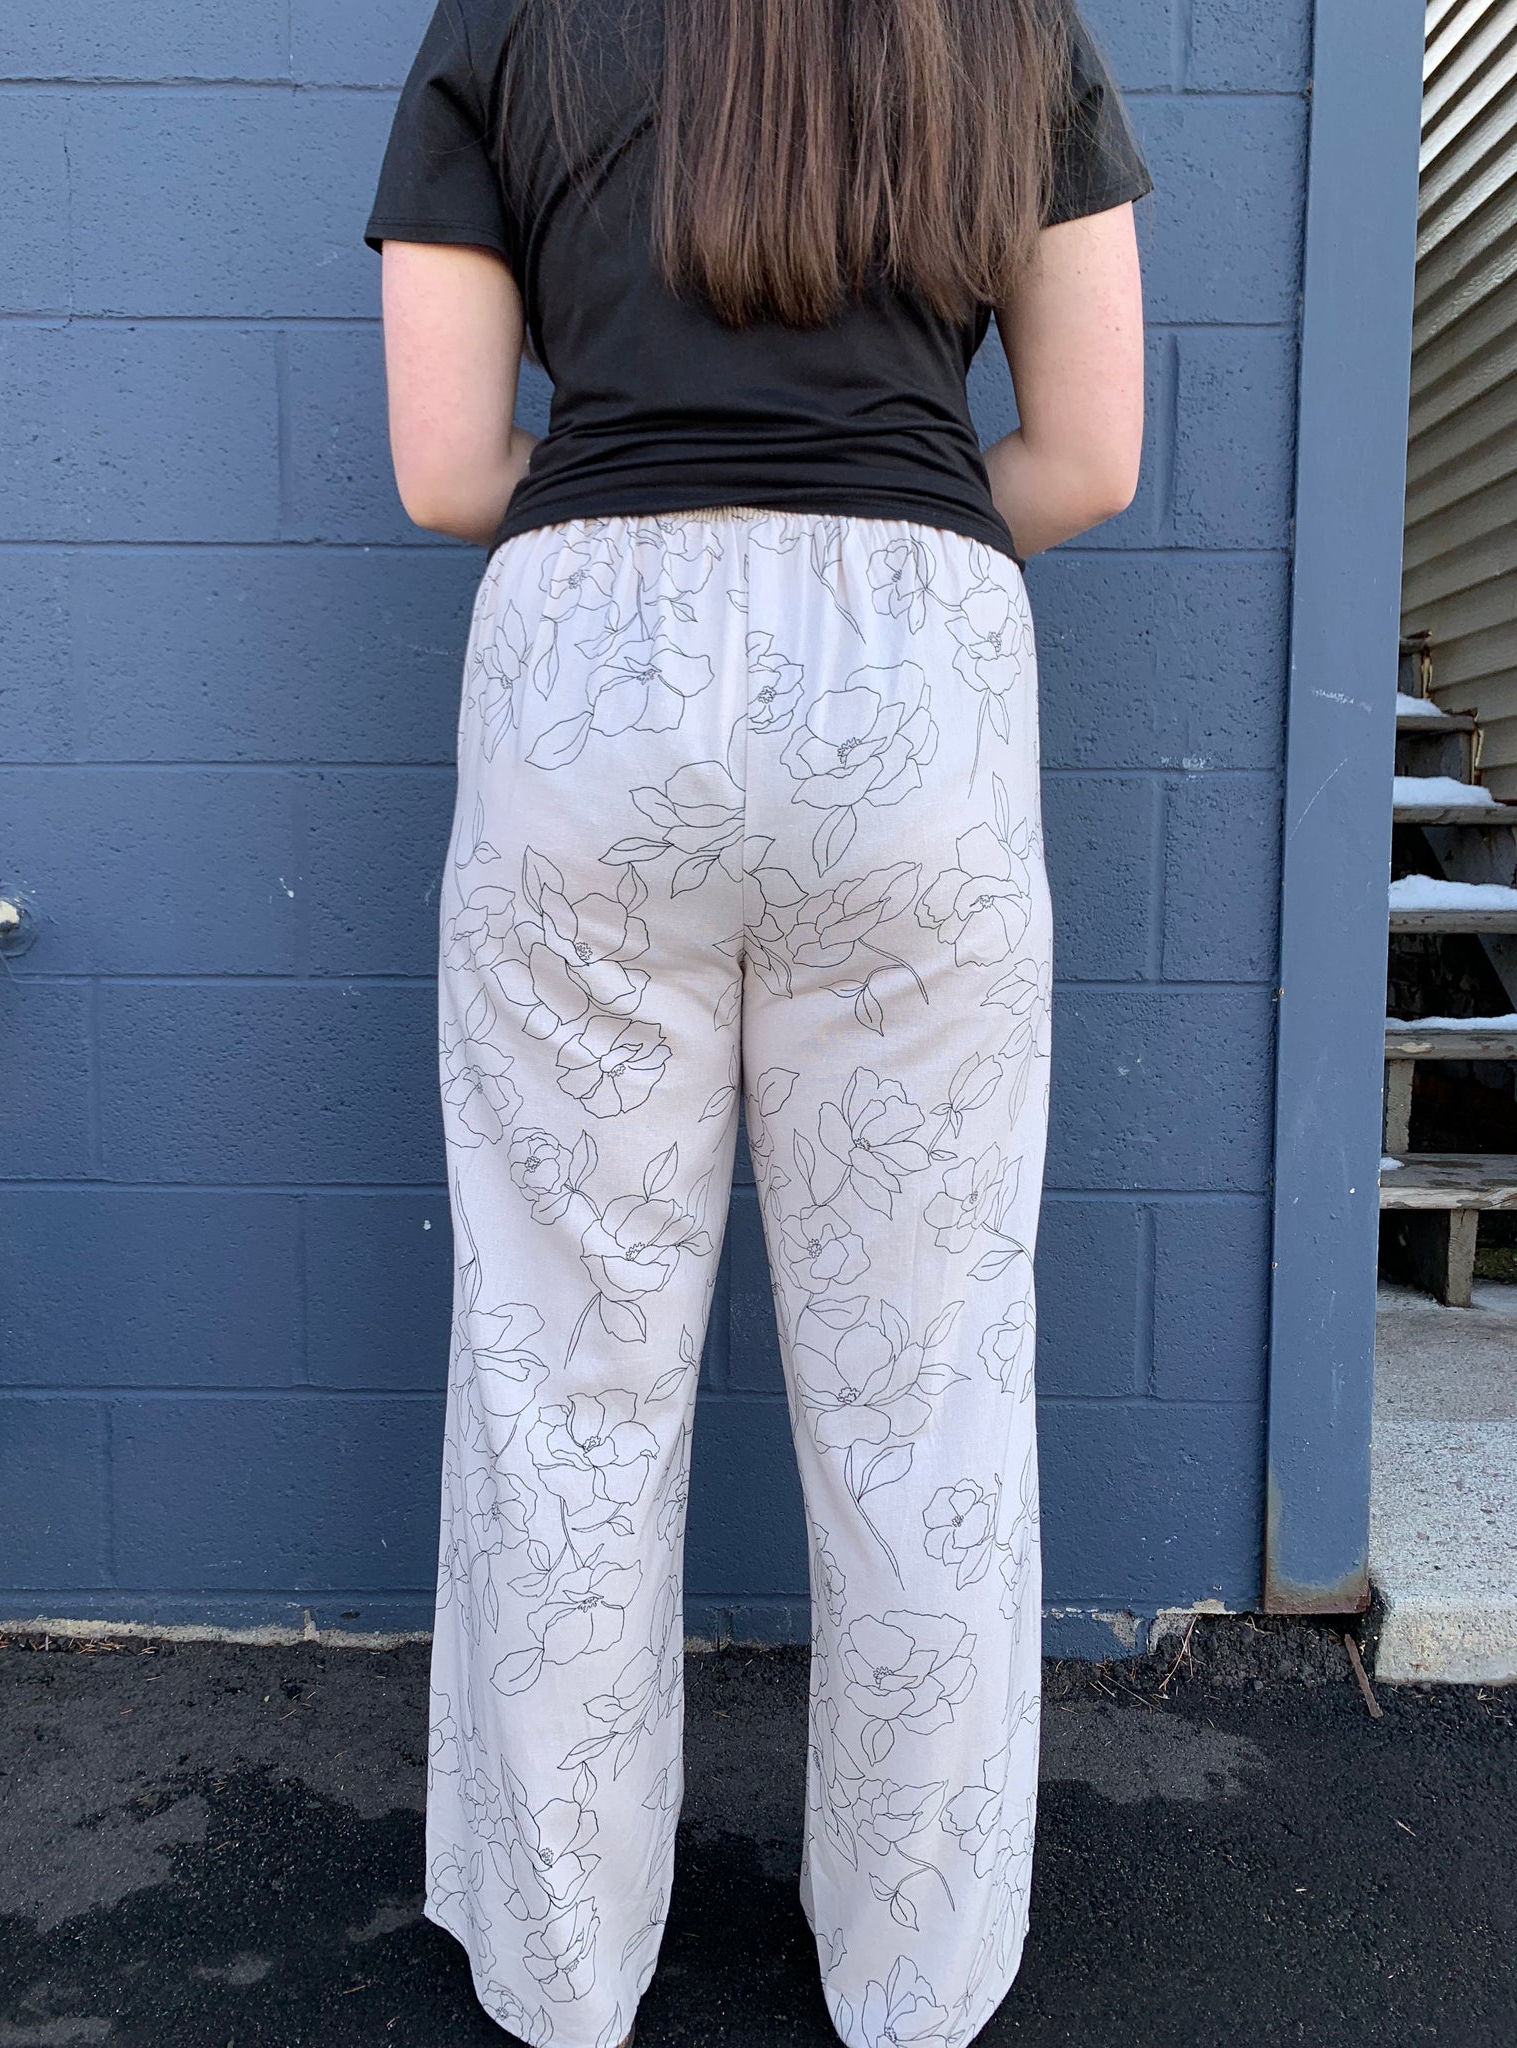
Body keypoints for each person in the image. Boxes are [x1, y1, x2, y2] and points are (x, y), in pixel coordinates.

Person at [364, 0, 1149, 2040]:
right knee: (928, 1375)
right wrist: (875, 534)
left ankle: (560, 1967)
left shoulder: (510, 16)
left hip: (586, 674)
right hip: (920, 680)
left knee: (564, 1365)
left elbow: (447, 470)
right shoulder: (1013, 24)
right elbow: (1089, 454)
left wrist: (652, 526)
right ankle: (917, 1969)